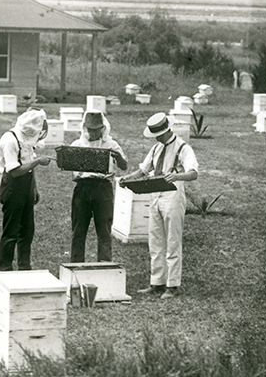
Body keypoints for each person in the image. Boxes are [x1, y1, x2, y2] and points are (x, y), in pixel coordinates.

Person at [120, 112, 198, 300]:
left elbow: (193, 173)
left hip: (173, 195)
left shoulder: (183, 148)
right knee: (155, 240)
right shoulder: (156, 148)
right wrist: (127, 179)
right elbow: (143, 170)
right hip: (155, 194)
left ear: (166, 131)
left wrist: (177, 176)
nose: (156, 137)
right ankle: (157, 283)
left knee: (172, 240)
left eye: (158, 134)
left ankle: (172, 285)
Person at [0, 108, 51, 271]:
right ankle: (5, 268)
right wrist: (38, 162)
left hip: (26, 186)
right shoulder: (9, 140)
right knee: (11, 230)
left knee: (27, 230)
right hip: (12, 186)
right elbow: (15, 171)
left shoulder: (26, 140)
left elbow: (28, 168)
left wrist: (34, 189)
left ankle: (24, 266)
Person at [69, 110, 127, 263]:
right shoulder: (77, 144)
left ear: (103, 128)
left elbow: (124, 166)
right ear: (84, 128)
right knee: (78, 230)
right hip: (82, 188)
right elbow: (68, 166)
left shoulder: (112, 144)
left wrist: (119, 157)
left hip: (103, 188)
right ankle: (75, 265)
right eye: (90, 129)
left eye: (96, 129)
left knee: (104, 230)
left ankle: (105, 265)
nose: (93, 133)